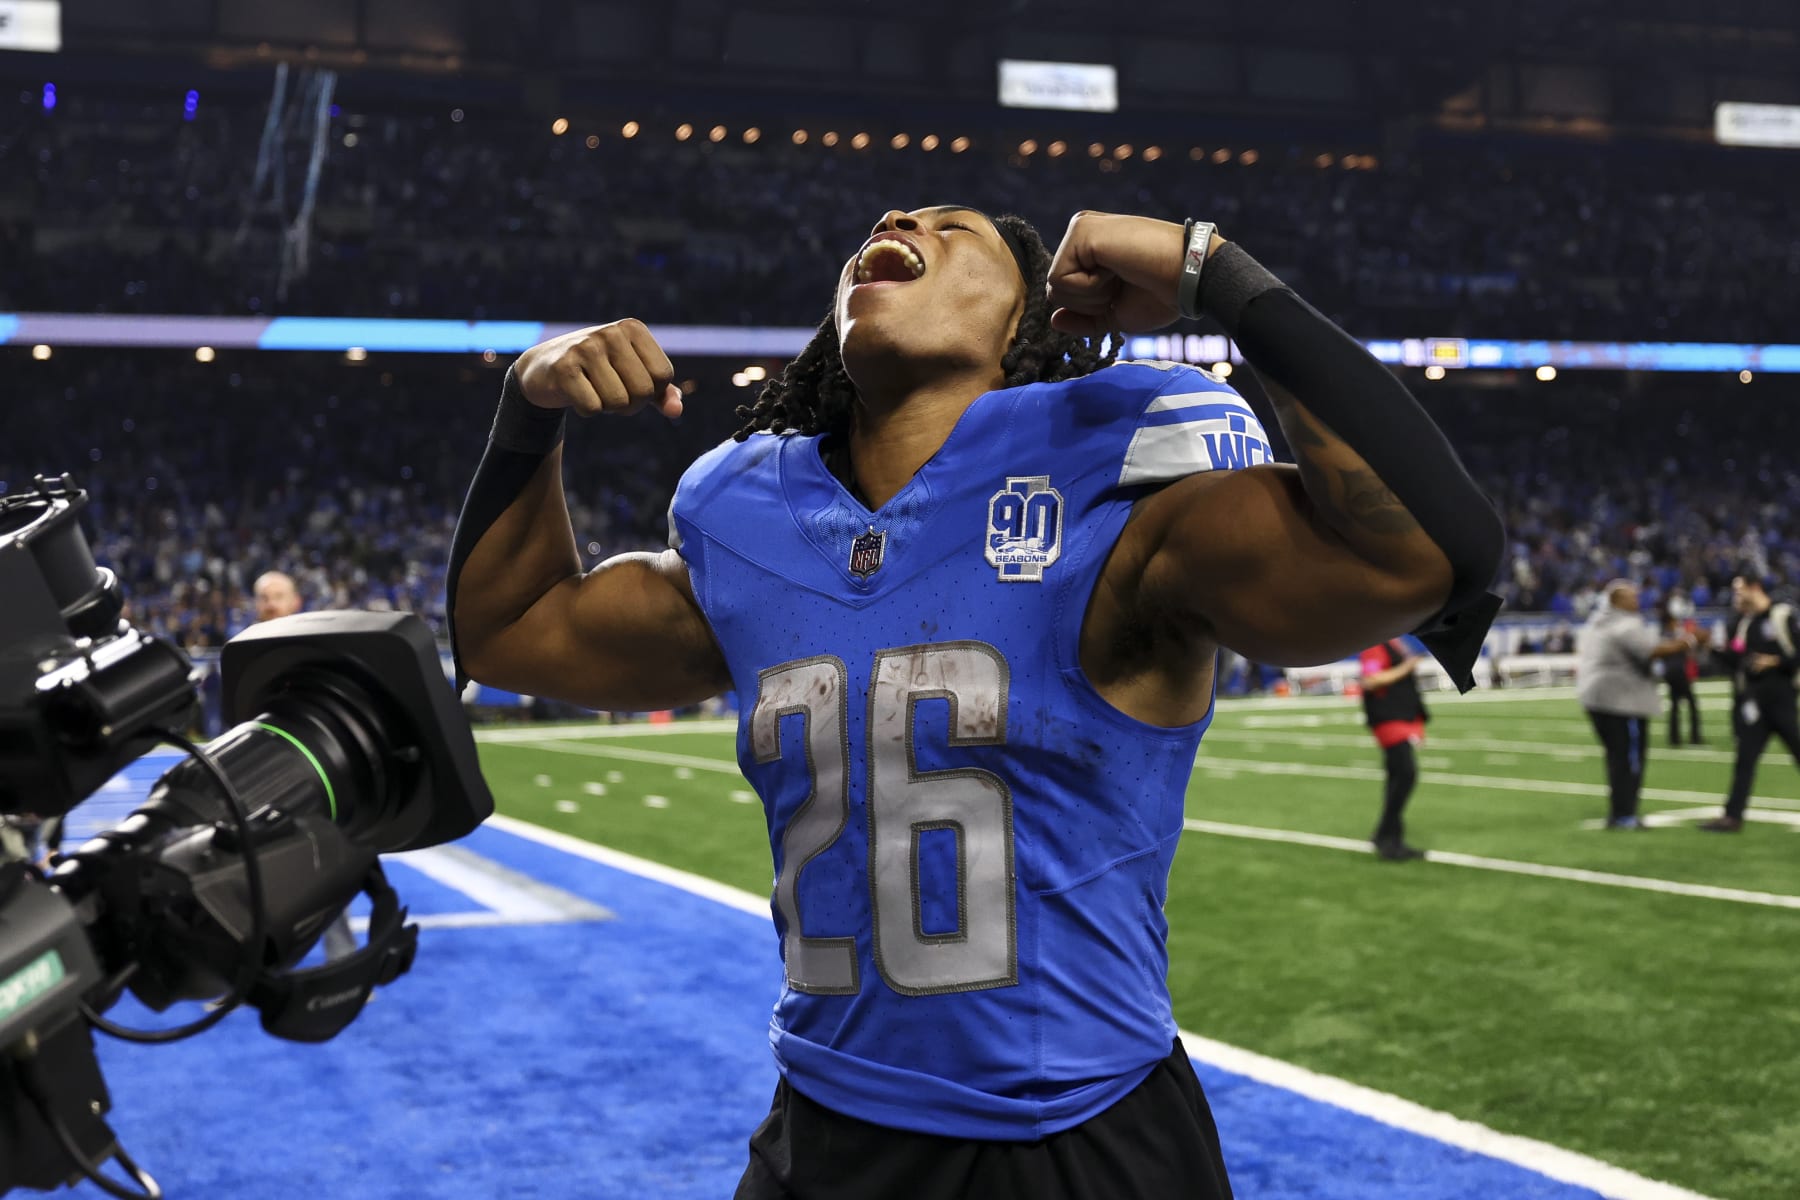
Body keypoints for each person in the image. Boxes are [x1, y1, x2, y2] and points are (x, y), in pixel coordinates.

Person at [449, 208, 1504, 1199]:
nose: (901, 225)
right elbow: (513, 628)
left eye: (956, 232)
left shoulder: (1121, 494)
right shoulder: (751, 518)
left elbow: (1424, 547)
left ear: (1026, 328)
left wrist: (1209, 272)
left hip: (1078, 1139)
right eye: (889, 223)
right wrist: (525, 408)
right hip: (823, 1127)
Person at [254, 570, 357, 958]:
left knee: (328, 863)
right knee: (254, 872)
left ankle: (341, 961)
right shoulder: (246, 649)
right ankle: (253, 977)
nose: (271, 604)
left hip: (314, 769)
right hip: (262, 770)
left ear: (296, 601)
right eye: (264, 597)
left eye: (278, 595)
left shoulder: (317, 646)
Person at [1576, 580, 1696, 829]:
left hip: (1597, 697)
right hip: (1621, 700)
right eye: (1631, 597)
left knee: (1616, 757)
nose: (1637, 600)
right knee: (1629, 758)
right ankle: (1624, 813)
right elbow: (1650, 650)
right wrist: (1686, 643)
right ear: (1617, 601)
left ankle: (1620, 811)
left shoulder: (1598, 622)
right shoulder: (1625, 624)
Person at [1700, 574, 1800, 832]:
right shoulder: (1746, 624)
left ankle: (1732, 815)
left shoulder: (1782, 616)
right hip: (1755, 702)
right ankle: (1732, 816)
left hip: (1781, 699)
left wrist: (1775, 661)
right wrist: (1711, 646)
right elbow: (1739, 661)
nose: (1736, 595)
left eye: (1740, 589)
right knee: (1744, 760)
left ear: (1754, 588)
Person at [1357, 639, 1429, 860]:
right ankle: (1388, 838)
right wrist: (1407, 667)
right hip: (1389, 718)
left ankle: (1387, 835)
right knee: (1405, 774)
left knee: (1397, 776)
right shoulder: (1375, 645)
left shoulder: (1395, 642)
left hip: (1401, 715)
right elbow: (1371, 680)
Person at [1658, 601, 1703, 746]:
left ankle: (1674, 738)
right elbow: (1686, 649)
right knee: (1692, 704)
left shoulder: (1663, 634)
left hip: (1669, 672)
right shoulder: (1674, 635)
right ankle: (1695, 737)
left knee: (1675, 706)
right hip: (1678, 672)